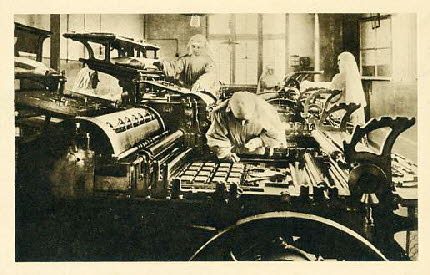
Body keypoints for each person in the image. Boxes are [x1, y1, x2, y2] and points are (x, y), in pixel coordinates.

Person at [206, 92, 286, 162]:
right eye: (238, 120)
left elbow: (278, 137)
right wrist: (226, 156)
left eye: (246, 121)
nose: (242, 124)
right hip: (232, 153)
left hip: (258, 155)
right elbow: (217, 137)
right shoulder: (222, 113)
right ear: (230, 110)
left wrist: (260, 141)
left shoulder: (266, 111)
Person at [155, 34, 220, 97]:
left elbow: (210, 75)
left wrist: (199, 84)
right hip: (186, 91)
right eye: (193, 46)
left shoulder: (208, 61)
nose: (196, 49)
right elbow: (174, 67)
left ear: (204, 48)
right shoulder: (185, 59)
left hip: (203, 91)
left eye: (198, 47)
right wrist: (162, 64)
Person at [329, 51, 367, 125]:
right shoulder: (355, 78)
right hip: (356, 112)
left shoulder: (339, 77)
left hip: (342, 111)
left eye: (339, 61)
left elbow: (333, 97)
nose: (338, 64)